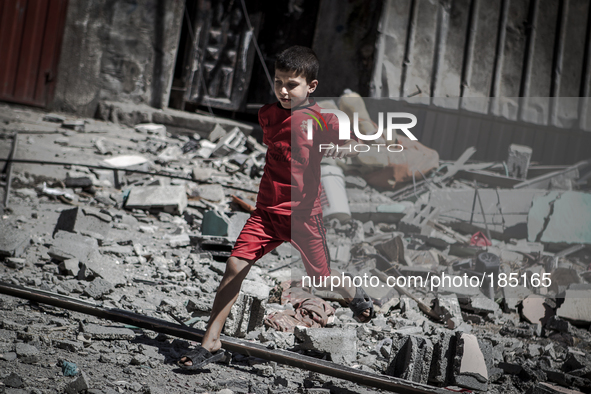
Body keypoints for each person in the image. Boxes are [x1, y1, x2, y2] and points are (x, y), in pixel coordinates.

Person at [178, 46, 374, 370]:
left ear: (311, 86)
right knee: (234, 266)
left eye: (291, 84)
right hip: (266, 214)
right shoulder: (268, 115)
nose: (283, 90)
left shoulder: (321, 119)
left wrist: (344, 150)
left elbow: (356, 141)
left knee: (321, 278)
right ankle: (211, 342)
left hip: (304, 218)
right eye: (278, 82)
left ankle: (356, 294)